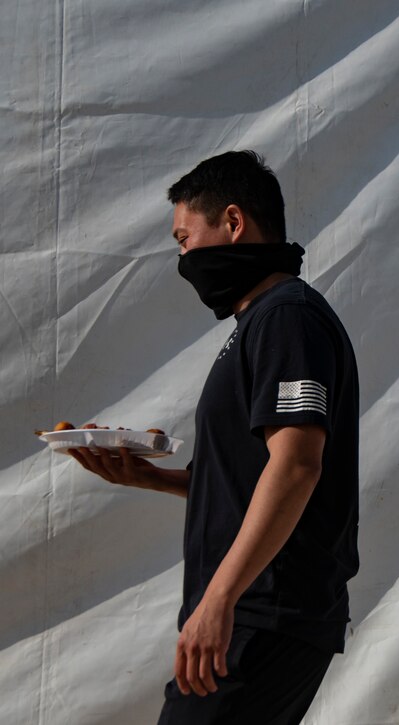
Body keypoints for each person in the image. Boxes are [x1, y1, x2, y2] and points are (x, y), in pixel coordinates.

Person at [70, 150, 360, 725]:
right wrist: (151, 476)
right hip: (257, 608)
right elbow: (251, 477)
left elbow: (297, 466)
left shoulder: (287, 318)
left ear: (232, 222)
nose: (183, 259)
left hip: (265, 608)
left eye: (184, 239)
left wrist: (219, 599)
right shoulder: (259, 323)